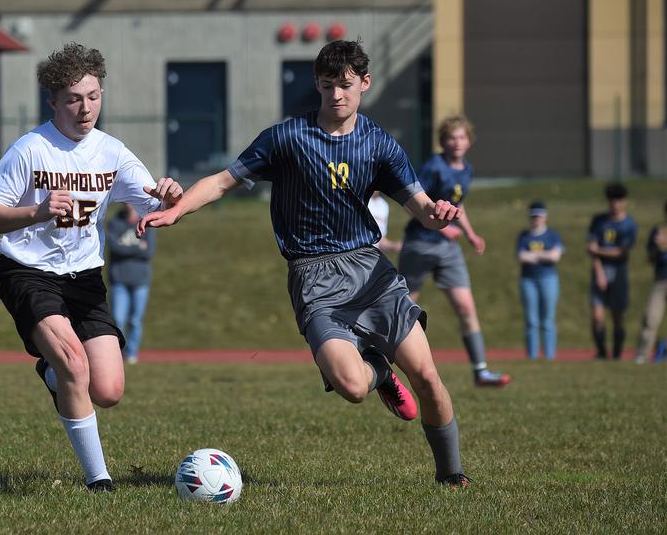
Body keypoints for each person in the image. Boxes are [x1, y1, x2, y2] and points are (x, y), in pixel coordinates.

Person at [139, 39, 471, 487]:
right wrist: (178, 210)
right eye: (329, 84)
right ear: (317, 84)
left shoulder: (380, 145)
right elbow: (221, 181)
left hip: (371, 272)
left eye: (347, 85)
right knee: (353, 388)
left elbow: (421, 207)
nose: (338, 94)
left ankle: (452, 476)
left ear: (364, 84)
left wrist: (439, 215)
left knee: (428, 376)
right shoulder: (287, 138)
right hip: (315, 279)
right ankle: (379, 370)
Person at [0, 43, 183, 491]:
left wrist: (169, 196)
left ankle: (52, 373)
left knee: (107, 391)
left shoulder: (112, 152)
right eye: (73, 98)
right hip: (27, 272)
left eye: (93, 96)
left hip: (85, 277)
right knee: (74, 362)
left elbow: (154, 202)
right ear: (53, 101)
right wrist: (36, 211)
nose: (85, 108)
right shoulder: (30, 149)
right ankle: (99, 479)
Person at [397, 115, 510, 387]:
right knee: (403, 308)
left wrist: (470, 234)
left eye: (461, 137)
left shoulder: (466, 170)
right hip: (420, 245)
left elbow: (458, 206)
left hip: (448, 249)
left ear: (469, 141)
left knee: (466, 306)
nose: (456, 142)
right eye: (451, 137)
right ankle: (388, 366)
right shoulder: (434, 167)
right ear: (442, 141)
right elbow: (411, 203)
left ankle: (481, 371)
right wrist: (441, 227)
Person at [587, 183, 637, 360]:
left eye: (618, 200)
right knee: (597, 317)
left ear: (624, 202)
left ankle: (616, 355)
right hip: (600, 270)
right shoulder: (598, 221)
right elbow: (591, 249)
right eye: (612, 201)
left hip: (619, 272)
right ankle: (601, 352)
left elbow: (621, 252)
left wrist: (598, 250)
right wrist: (599, 271)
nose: (615, 204)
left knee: (617, 316)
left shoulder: (629, 225)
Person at [106, 203, 156, 364]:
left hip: (141, 280)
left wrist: (125, 246)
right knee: (118, 319)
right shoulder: (114, 222)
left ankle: (132, 353)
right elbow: (114, 247)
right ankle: (118, 353)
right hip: (119, 279)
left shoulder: (147, 223)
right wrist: (137, 247)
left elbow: (148, 252)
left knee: (135, 320)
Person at [516, 201, 564, 360]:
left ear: (545, 216)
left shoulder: (553, 235)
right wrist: (544, 255)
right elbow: (522, 257)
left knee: (548, 320)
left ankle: (550, 356)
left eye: (539, 216)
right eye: (533, 216)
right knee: (531, 320)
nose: (536, 219)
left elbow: (555, 256)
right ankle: (532, 356)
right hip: (528, 280)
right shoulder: (524, 236)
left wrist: (534, 255)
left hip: (548, 279)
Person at [634, 199, 667, 363]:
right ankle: (642, 355)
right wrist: (658, 246)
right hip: (661, 280)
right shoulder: (659, 230)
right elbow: (650, 258)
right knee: (650, 317)